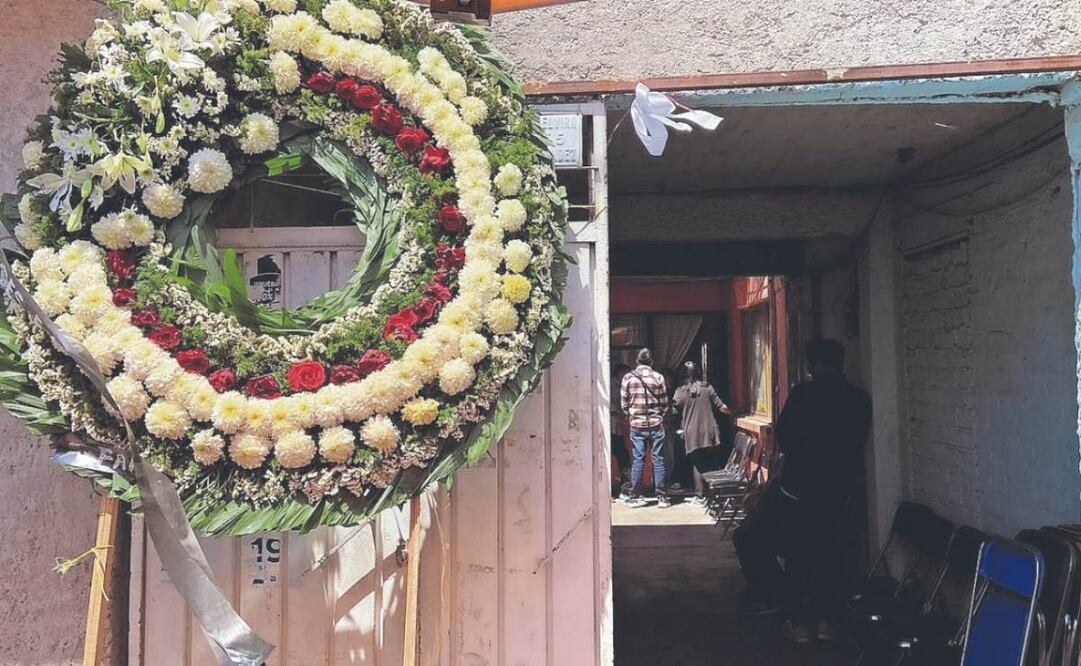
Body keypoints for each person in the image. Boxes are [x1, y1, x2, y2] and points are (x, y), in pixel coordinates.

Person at [732, 339, 872, 644]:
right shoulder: (860, 399)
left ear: (813, 365)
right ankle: (826, 622)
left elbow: (784, 438)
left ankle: (798, 623)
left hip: (800, 490)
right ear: (841, 363)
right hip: (840, 492)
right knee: (832, 556)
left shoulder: (803, 395)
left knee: (799, 556)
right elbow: (857, 442)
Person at [672, 361, 730, 502]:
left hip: (692, 433)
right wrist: (734, 413)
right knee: (710, 462)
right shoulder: (707, 387)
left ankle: (700, 494)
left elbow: (674, 411)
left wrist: (677, 428)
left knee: (698, 464)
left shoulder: (680, 391)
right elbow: (722, 406)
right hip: (710, 431)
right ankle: (712, 493)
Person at [620, 347, 670, 508]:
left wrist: (633, 414)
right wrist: (658, 414)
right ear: (651, 362)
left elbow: (624, 404)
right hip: (656, 423)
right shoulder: (658, 377)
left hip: (636, 425)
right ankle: (661, 497)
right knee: (658, 459)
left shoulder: (628, 377)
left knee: (638, 459)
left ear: (637, 361)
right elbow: (664, 403)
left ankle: (635, 495)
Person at [610, 364, 632, 498]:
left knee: (625, 455)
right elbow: (609, 403)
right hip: (613, 427)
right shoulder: (611, 385)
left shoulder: (628, 386)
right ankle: (617, 486)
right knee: (618, 455)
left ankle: (624, 484)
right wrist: (617, 412)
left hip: (624, 427)